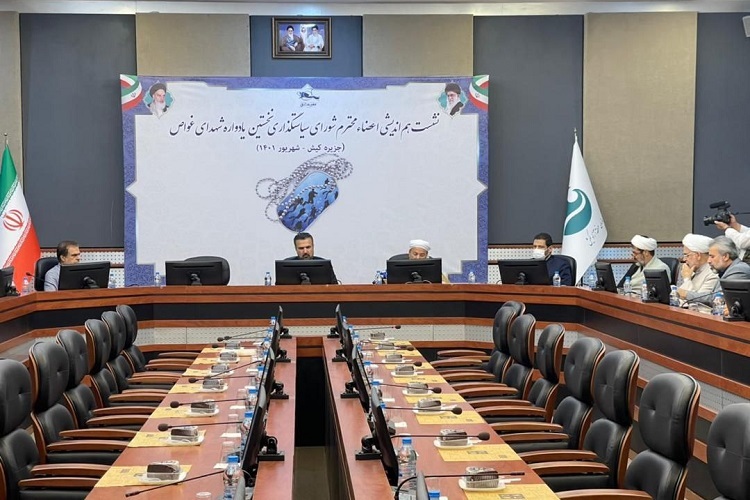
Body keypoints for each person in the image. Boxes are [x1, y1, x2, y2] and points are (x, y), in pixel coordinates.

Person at [677, 233, 718, 306]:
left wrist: (687, 279)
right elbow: (679, 297)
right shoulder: (694, 271)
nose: (684, 259)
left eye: (687, 255)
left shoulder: (712, 274)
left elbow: (698, 303)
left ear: (698, 255)